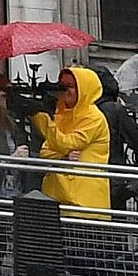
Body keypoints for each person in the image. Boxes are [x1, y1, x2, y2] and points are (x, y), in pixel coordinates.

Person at [38, 66, 111, 210]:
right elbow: (45, 152)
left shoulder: (93, 118)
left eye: (70, 86)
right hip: (57, 198)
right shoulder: (60, 116)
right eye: (62, 86)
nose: (64, 90)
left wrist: (39, 117)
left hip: (85, 203)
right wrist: (63, 158)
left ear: (83, 89)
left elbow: (67, 144)